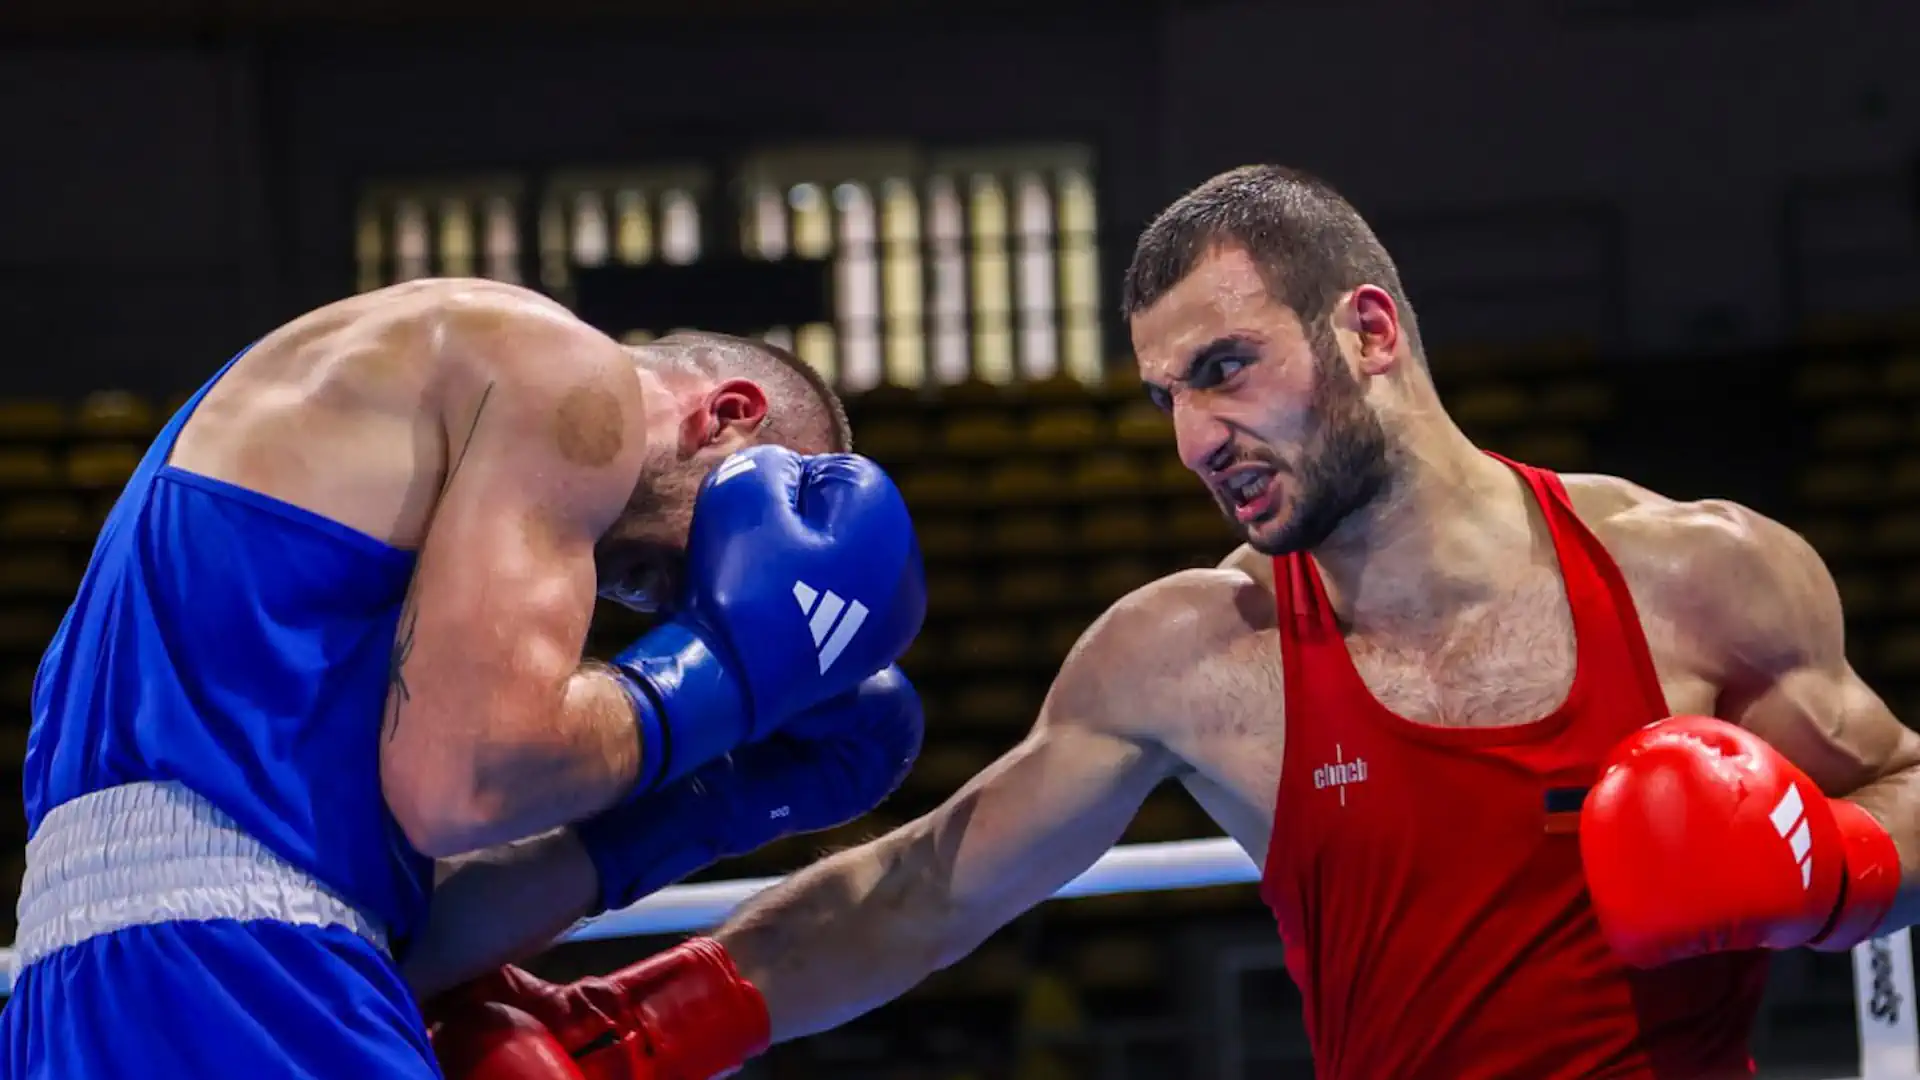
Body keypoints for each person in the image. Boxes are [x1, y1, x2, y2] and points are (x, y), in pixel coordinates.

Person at [430, 167, 1920, 1080]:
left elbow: (1899, 789)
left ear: (1370, 332)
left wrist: (1843, 868)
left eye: (1227, 367)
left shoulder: (1699, 577)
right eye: (1164, 399)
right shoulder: (1191, 656)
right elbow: (924, 894)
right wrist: (635, 1034)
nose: (1197, 435)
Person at [1, 278, 929, 1080]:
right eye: (728, 540)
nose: (675, 598)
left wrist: (701, 806)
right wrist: (729, 673)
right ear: (727, 416)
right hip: (236, 976)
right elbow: (471, 785)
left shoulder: (369, 466)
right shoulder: (565, 373)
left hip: (77, 997)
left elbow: (396, 916)